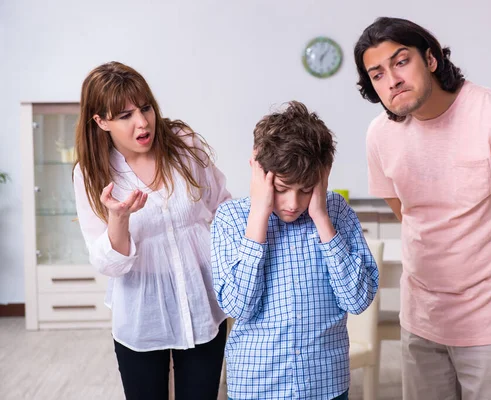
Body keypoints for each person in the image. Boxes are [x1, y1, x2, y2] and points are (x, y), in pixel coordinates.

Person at [353, 17, 491, 400]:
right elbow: (410, 214)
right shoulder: (380, 135)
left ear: (431, 59)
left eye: (401, 61)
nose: (392, 79)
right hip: (421, 320)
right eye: (377, 74)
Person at [73, 61, 230, 400]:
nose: (142, 122)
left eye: (145, 108)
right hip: (142, 315)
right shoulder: (90, 174)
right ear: (101, 122)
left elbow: (223, 205)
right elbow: (107, 264)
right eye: (125, 115)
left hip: (203, 304)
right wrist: (118, 219)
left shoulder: (184, 145)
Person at [210, 101, 379, 400]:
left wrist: (322, 219)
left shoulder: (336, 212)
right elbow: (238, 308)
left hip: (326, 384)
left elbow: (357, 300)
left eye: (306, 189)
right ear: (257, 170)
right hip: (257, 386)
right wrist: (259, 217)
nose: (292, 203)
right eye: (281, 188)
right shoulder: (231, 219)